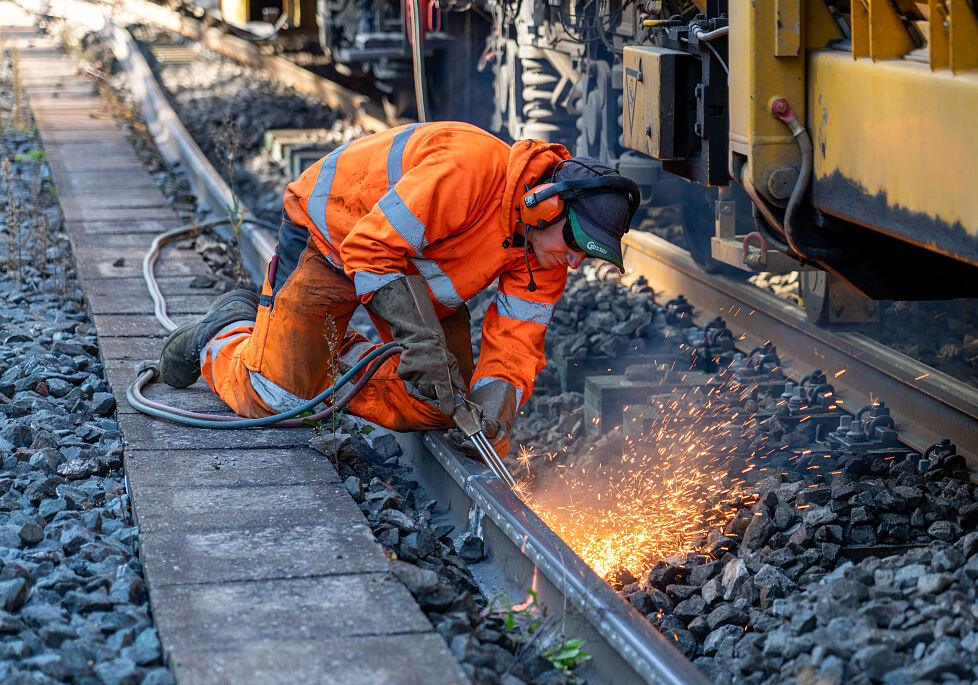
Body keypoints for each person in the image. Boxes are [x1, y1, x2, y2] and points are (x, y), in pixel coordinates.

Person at [157, 121, 639, 458]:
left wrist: (494, 415)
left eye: (589, 255)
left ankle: (329, 357)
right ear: (543, 206)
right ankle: (225, 332)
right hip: (331, 237)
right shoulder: (469, 168)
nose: (577, 261)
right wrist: (420, 344)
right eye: (576, 243)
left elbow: (515, 345)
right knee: (276, 398)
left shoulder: (545, 256)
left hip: (406, 275)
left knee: (442, 404)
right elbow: (369, 248)